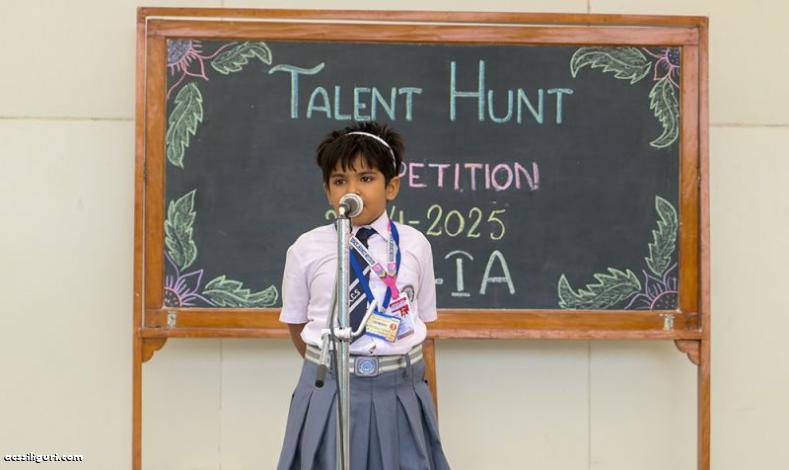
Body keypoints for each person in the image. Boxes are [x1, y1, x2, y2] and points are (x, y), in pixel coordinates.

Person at [277, 121, 451, 469]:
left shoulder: (415, 245)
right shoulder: (306, 248)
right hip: (330, 389)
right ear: (328, 191)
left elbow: (421, 322)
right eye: (340, 181)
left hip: (398, 389)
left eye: (366, 178)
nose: (352, 190)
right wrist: (336, 367)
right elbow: (297, 325)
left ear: (391, 186)